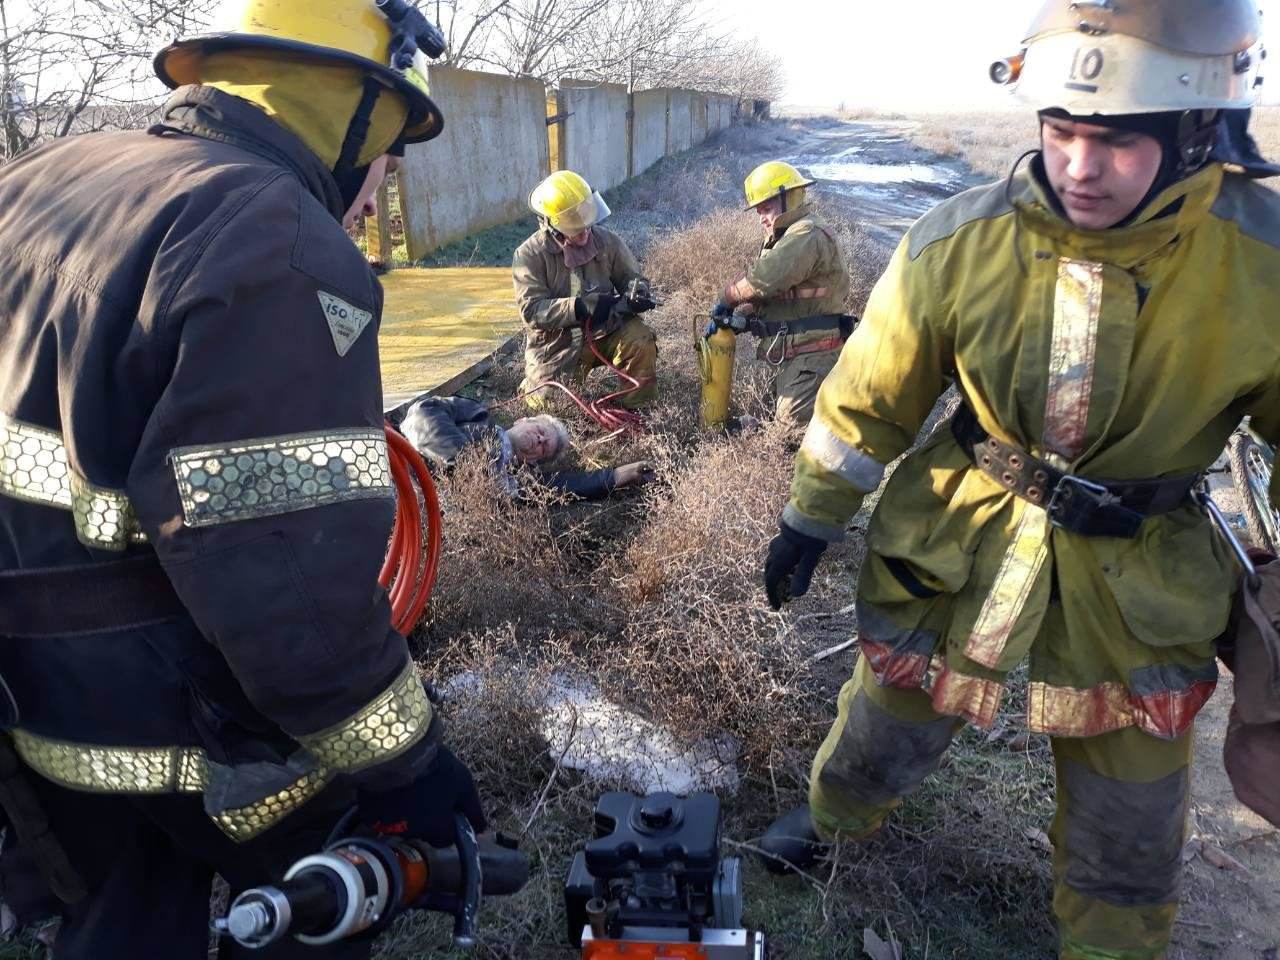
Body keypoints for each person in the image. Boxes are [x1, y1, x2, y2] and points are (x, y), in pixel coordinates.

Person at [758, 2, 1280, 958]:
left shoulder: (1264, 266)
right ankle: (835, 820)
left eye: (1117, 140)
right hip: (960, 540)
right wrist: (809, 518)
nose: (1080, 167)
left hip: (1143, 582)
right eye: (1063, 130)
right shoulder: (957, 244)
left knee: (1134, 814)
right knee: (888, 720)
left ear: (1198, 129)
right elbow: (867, 401)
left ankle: (1110, 945)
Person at [0, 1, 488, 956]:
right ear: (358, 116)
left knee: (124, 920)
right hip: (175, 730)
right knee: (336, 888)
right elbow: (283, 583)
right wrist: (408, 761)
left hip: (32, 711)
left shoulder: (41, 179)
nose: (378, 184)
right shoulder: (275, 240)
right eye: (391, 153)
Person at [708, 161, 852, 426]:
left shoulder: (806, 234)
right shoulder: (787, 236)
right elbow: (785, 295)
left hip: (813, 355)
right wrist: (745, 315)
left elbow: (763, 281)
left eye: (767, 208)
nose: (762, 218)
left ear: (790, 197)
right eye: (758, 211)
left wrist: (726, 297)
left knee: (788, 433)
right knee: (768, 424)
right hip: (795, 354)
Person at [512, 170, 658, 409]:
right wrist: (579, 307)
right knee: (549, 404)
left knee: (640, 340)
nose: (586, 231)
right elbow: (531, 311)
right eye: (576, 227)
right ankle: (533, 385)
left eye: (588, 223)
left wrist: (638, 292)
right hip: (558, 343)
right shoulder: (529, 255)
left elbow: (632, 277)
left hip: (606, 329)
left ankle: (638, 410)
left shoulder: (606, 241)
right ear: (554, 226)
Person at [386, 394, 653, 499]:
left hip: (403, 518)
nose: (539, 441)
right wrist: (465, 463)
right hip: (388, 461)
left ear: (534, 462)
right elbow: (422, 413)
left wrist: (618, 475)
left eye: (543, 448)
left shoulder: (519, 483)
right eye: (540, 432)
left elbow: (568, 486)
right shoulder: (476, 414)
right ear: (522, 419)